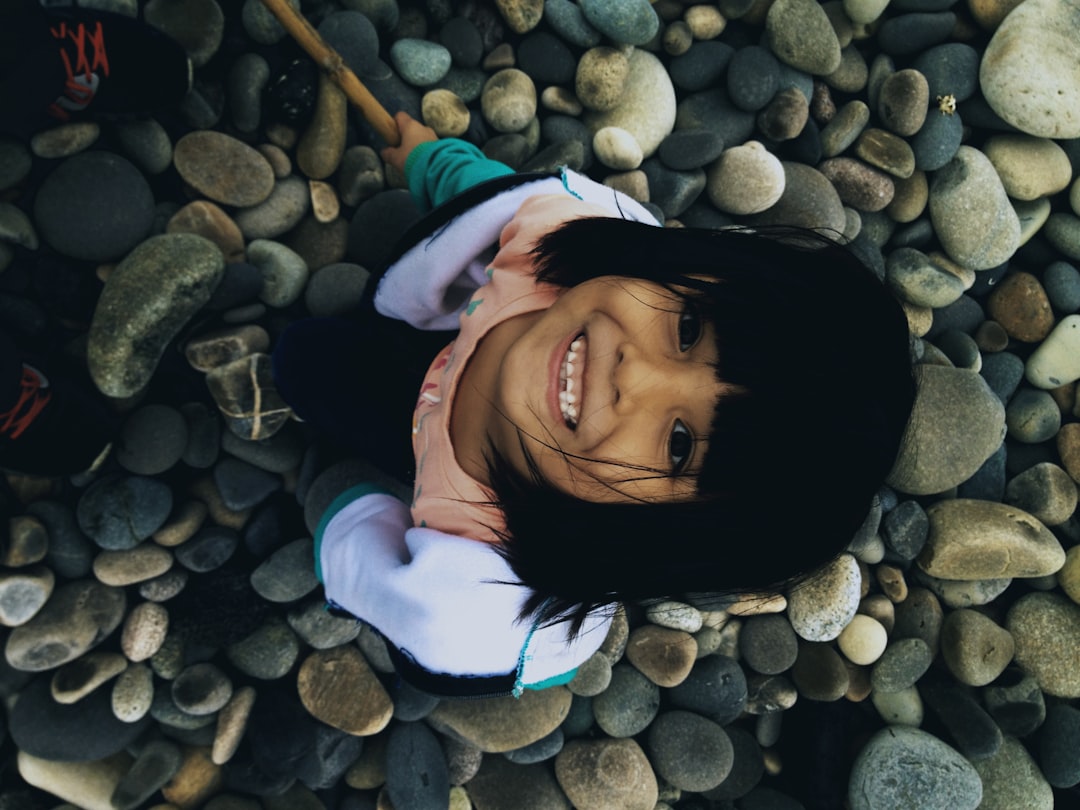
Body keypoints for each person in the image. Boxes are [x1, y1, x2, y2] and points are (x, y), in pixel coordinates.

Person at [269, 112, 917, 698]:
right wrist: (428, 161)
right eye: (688, 329)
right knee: (306, 360)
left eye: (679, 444)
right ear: (682, 263)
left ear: (657, 533)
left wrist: (340, 517)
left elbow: (376, 577)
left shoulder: (477, 581)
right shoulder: (561, 231)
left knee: (328, 448)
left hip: (429, 465)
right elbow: (485, 195)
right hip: (427, 351)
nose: (633, 380)